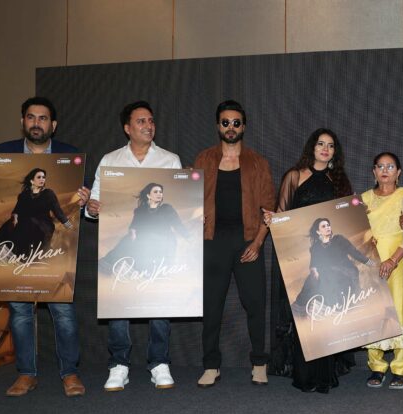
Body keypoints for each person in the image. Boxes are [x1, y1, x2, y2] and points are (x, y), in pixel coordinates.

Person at [0, 96, 86, 397]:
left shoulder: (69, 154)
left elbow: (64, 209)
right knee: (20, 312)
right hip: (21, 234)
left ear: (53, 124)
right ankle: (26, 374)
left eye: (43, 118)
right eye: (31, 117)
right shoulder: (4, 152)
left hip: (43, 236)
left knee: (63, 312)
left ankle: (70, 373)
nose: (37, 123)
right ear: (23, 121)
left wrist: (82, 202)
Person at [86, 101, 182, 391]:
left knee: (159, 298)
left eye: (151, 120)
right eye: (141, 121)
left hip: (159, 242)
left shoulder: (170, 160)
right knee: (118, 295)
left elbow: (176, 203)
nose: (148, 126)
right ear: (127, 128)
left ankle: (159, 362)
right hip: (132, 238)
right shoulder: (110, 160)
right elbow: (93, 206)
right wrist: (91, 208)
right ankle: (119, 365)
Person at [264, 128, 356, 392]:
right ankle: (304, 374)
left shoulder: (339, 180)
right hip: (301, 257)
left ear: (335, 152)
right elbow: (282, 215)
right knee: (303, 313)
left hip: (329, 259)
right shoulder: (294, 176)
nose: (325, 149)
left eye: (330, 145)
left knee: (326, 311)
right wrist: (272, 219)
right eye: (320, 144)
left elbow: (345, 220)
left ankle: (325, 374)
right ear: (311, 147)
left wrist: (359, 214)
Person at [194, 100, 275, 387]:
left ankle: (259, 363)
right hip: (212, 241)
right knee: (211, 306)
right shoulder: (203, 159)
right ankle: (211, 365)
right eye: (226, 122)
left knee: (255, 305)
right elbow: (189, 199)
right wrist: (194, 216)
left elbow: (269, 210)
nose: (231, 127)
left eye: (236, 123)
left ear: (244, 127)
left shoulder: (258, 162)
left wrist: (258, 243)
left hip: (247, 241)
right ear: (218, 126)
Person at [361, 152, 403, 390]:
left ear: (399, 172)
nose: (385, 170)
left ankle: (400, 368)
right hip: (369, 264)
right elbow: (353, 232)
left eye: (390, 166)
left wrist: (393, 260)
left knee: (399, 312)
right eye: (380, 166)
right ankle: (376, 367)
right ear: (373, 172)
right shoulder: (363, 199)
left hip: (398, 261)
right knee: (374, 310)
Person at [99, 182, 190, 274]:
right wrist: (132, 233)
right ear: (148, 195)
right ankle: (106, 266)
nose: (159, 194)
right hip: (144, 242)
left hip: (164, 242)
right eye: (155, 192)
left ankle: (145, 268)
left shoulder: (166, 209)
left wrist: (189, 237)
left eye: (160, 192)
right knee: (128, 240)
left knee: (150, 268)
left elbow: (178, 225)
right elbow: (134, 226)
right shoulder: (140, 210)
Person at [0, 168, 72, 257]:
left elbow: (58, 212)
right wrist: (14, 217)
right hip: (25, 222)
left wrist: (69, 226)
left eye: (43, 177)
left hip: (44, 225)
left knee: (27, 224)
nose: (42, 179)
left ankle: (14, 254)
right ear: (32, 181)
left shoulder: (48, 194)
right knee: (9, 225)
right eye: (39, 177)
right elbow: (17, 210)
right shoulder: (24, 195)